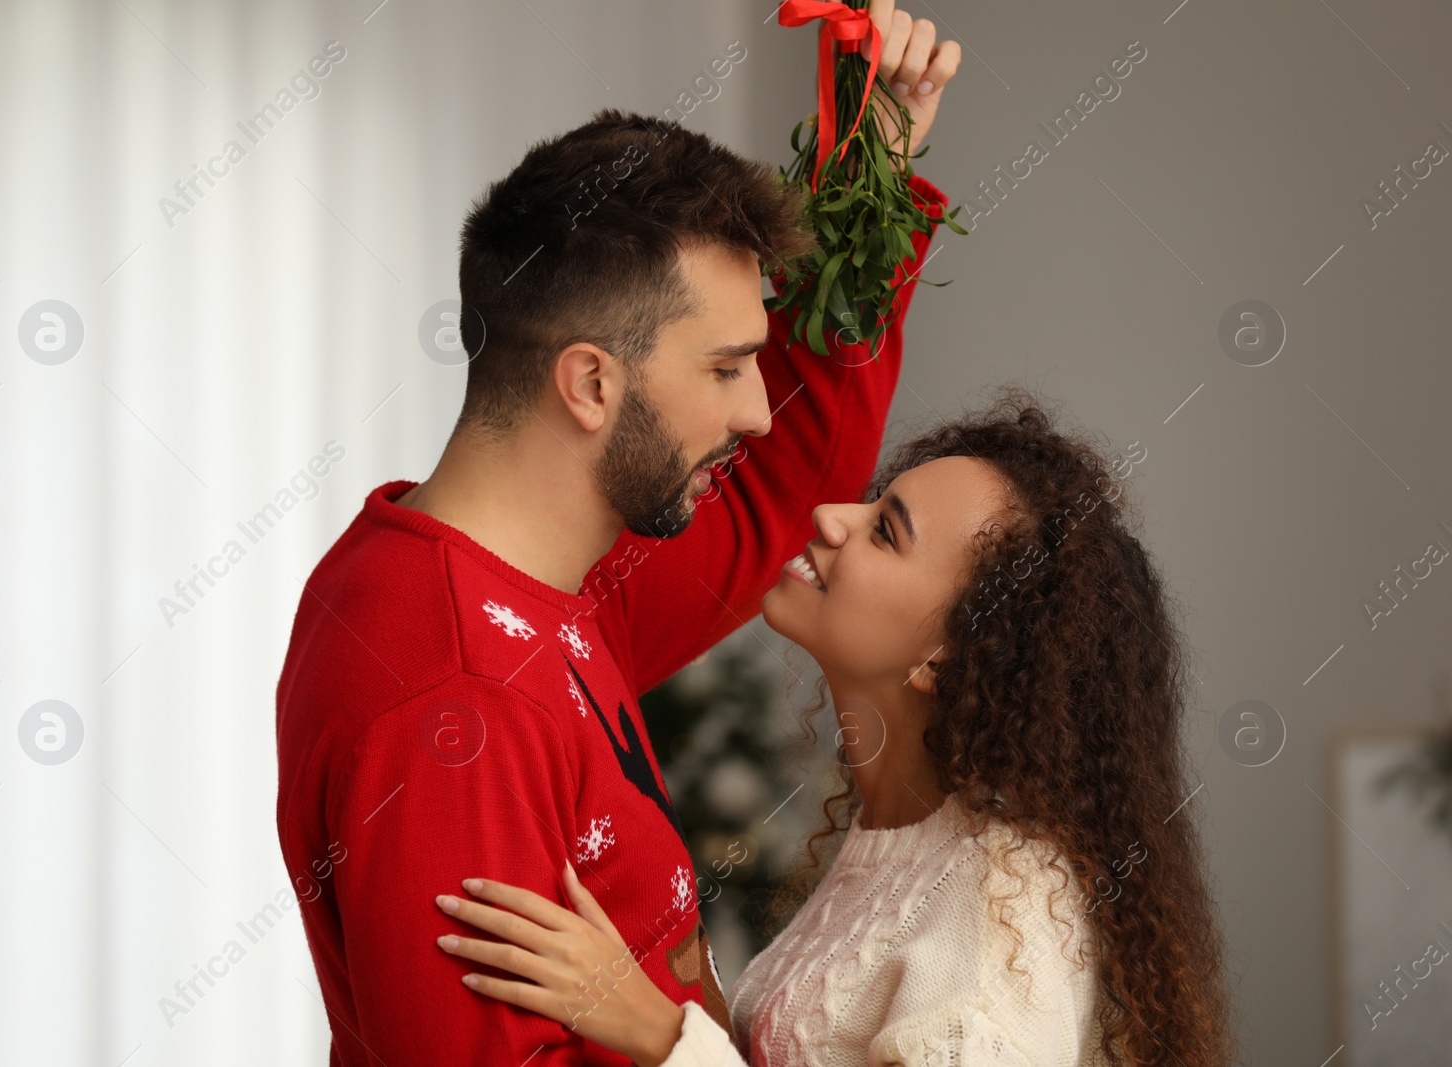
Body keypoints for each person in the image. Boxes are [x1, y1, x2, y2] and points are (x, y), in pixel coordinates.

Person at [273, 3, 962, 1062]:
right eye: (726, 368)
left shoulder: (527, 579)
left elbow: (784, 480)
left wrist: (870, 170)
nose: (751, 410)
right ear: (591, 382)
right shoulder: (463, 695)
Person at [435, 392, 1236, 1067]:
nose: (828, 515)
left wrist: (652, 1026)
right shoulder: (902, 833)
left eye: (886, 529)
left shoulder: (1003, 901)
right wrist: (688, 982)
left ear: (945, 655)